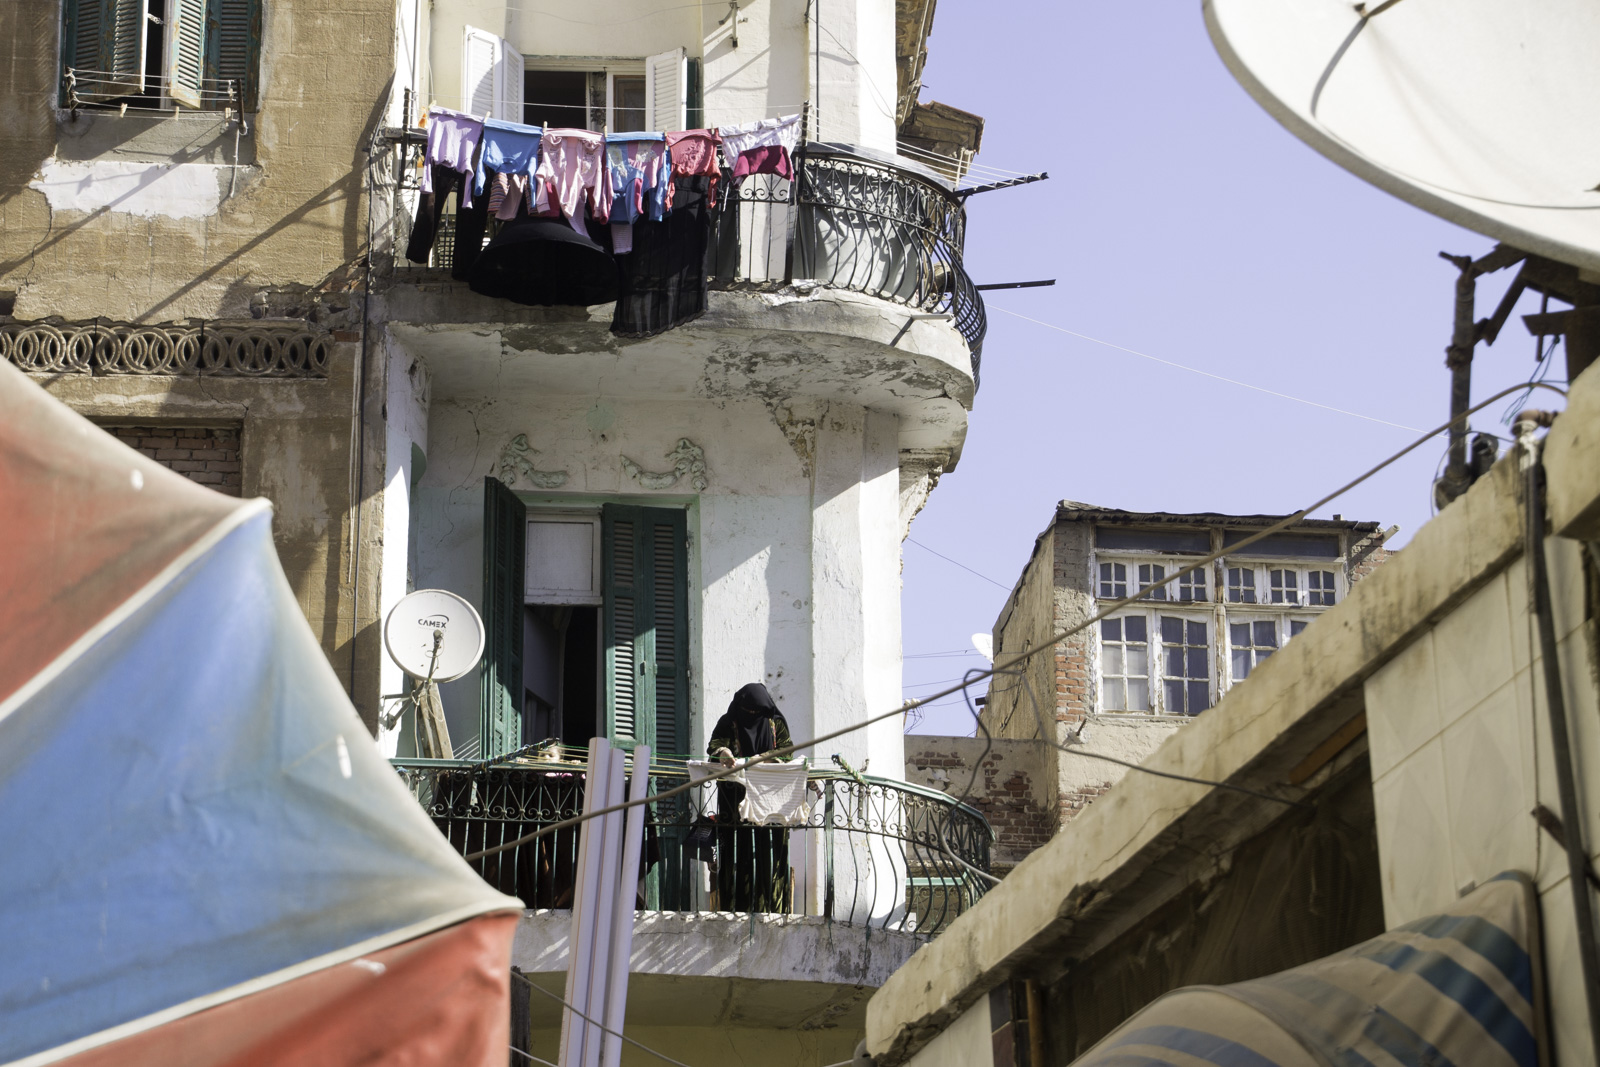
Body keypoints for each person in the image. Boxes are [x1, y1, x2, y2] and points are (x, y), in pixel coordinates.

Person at [707, 682, 793, 912]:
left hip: (770, 803)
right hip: (734, 803)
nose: (752, 715)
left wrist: (767, 758)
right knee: (737, 854)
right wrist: (724, 753)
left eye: (757, 712)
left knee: (770, 856)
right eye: (748, 711)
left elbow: (786, 750)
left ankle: (772, 910)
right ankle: (734, 908)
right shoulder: (728, 723)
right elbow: (715, 745)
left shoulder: (775, 723)